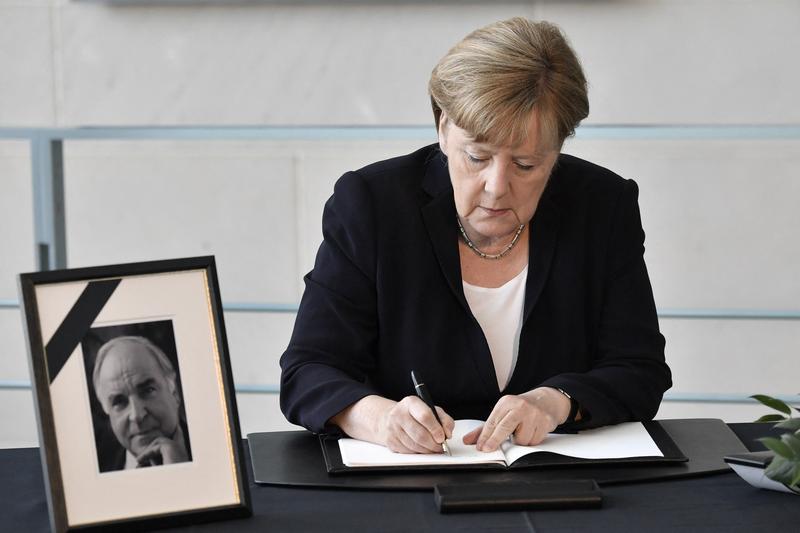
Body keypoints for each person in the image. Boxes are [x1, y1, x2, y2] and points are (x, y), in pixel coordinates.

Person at [280, 17, 671, 455]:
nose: (497, 186)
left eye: (526, 165)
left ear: (558, 149)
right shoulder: (371, 205)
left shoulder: (602, 205)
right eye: (477, 156)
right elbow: (308, 370)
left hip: (564, 485)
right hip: (407, 488)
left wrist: (556, 402)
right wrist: (380, 418)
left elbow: (640, 369)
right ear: (443, 128)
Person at [92, 335, 191, 470]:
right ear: (107, 410)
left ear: (175, 393)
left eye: (148, 391)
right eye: (119, 401)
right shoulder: (98, 468)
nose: (137, 415)